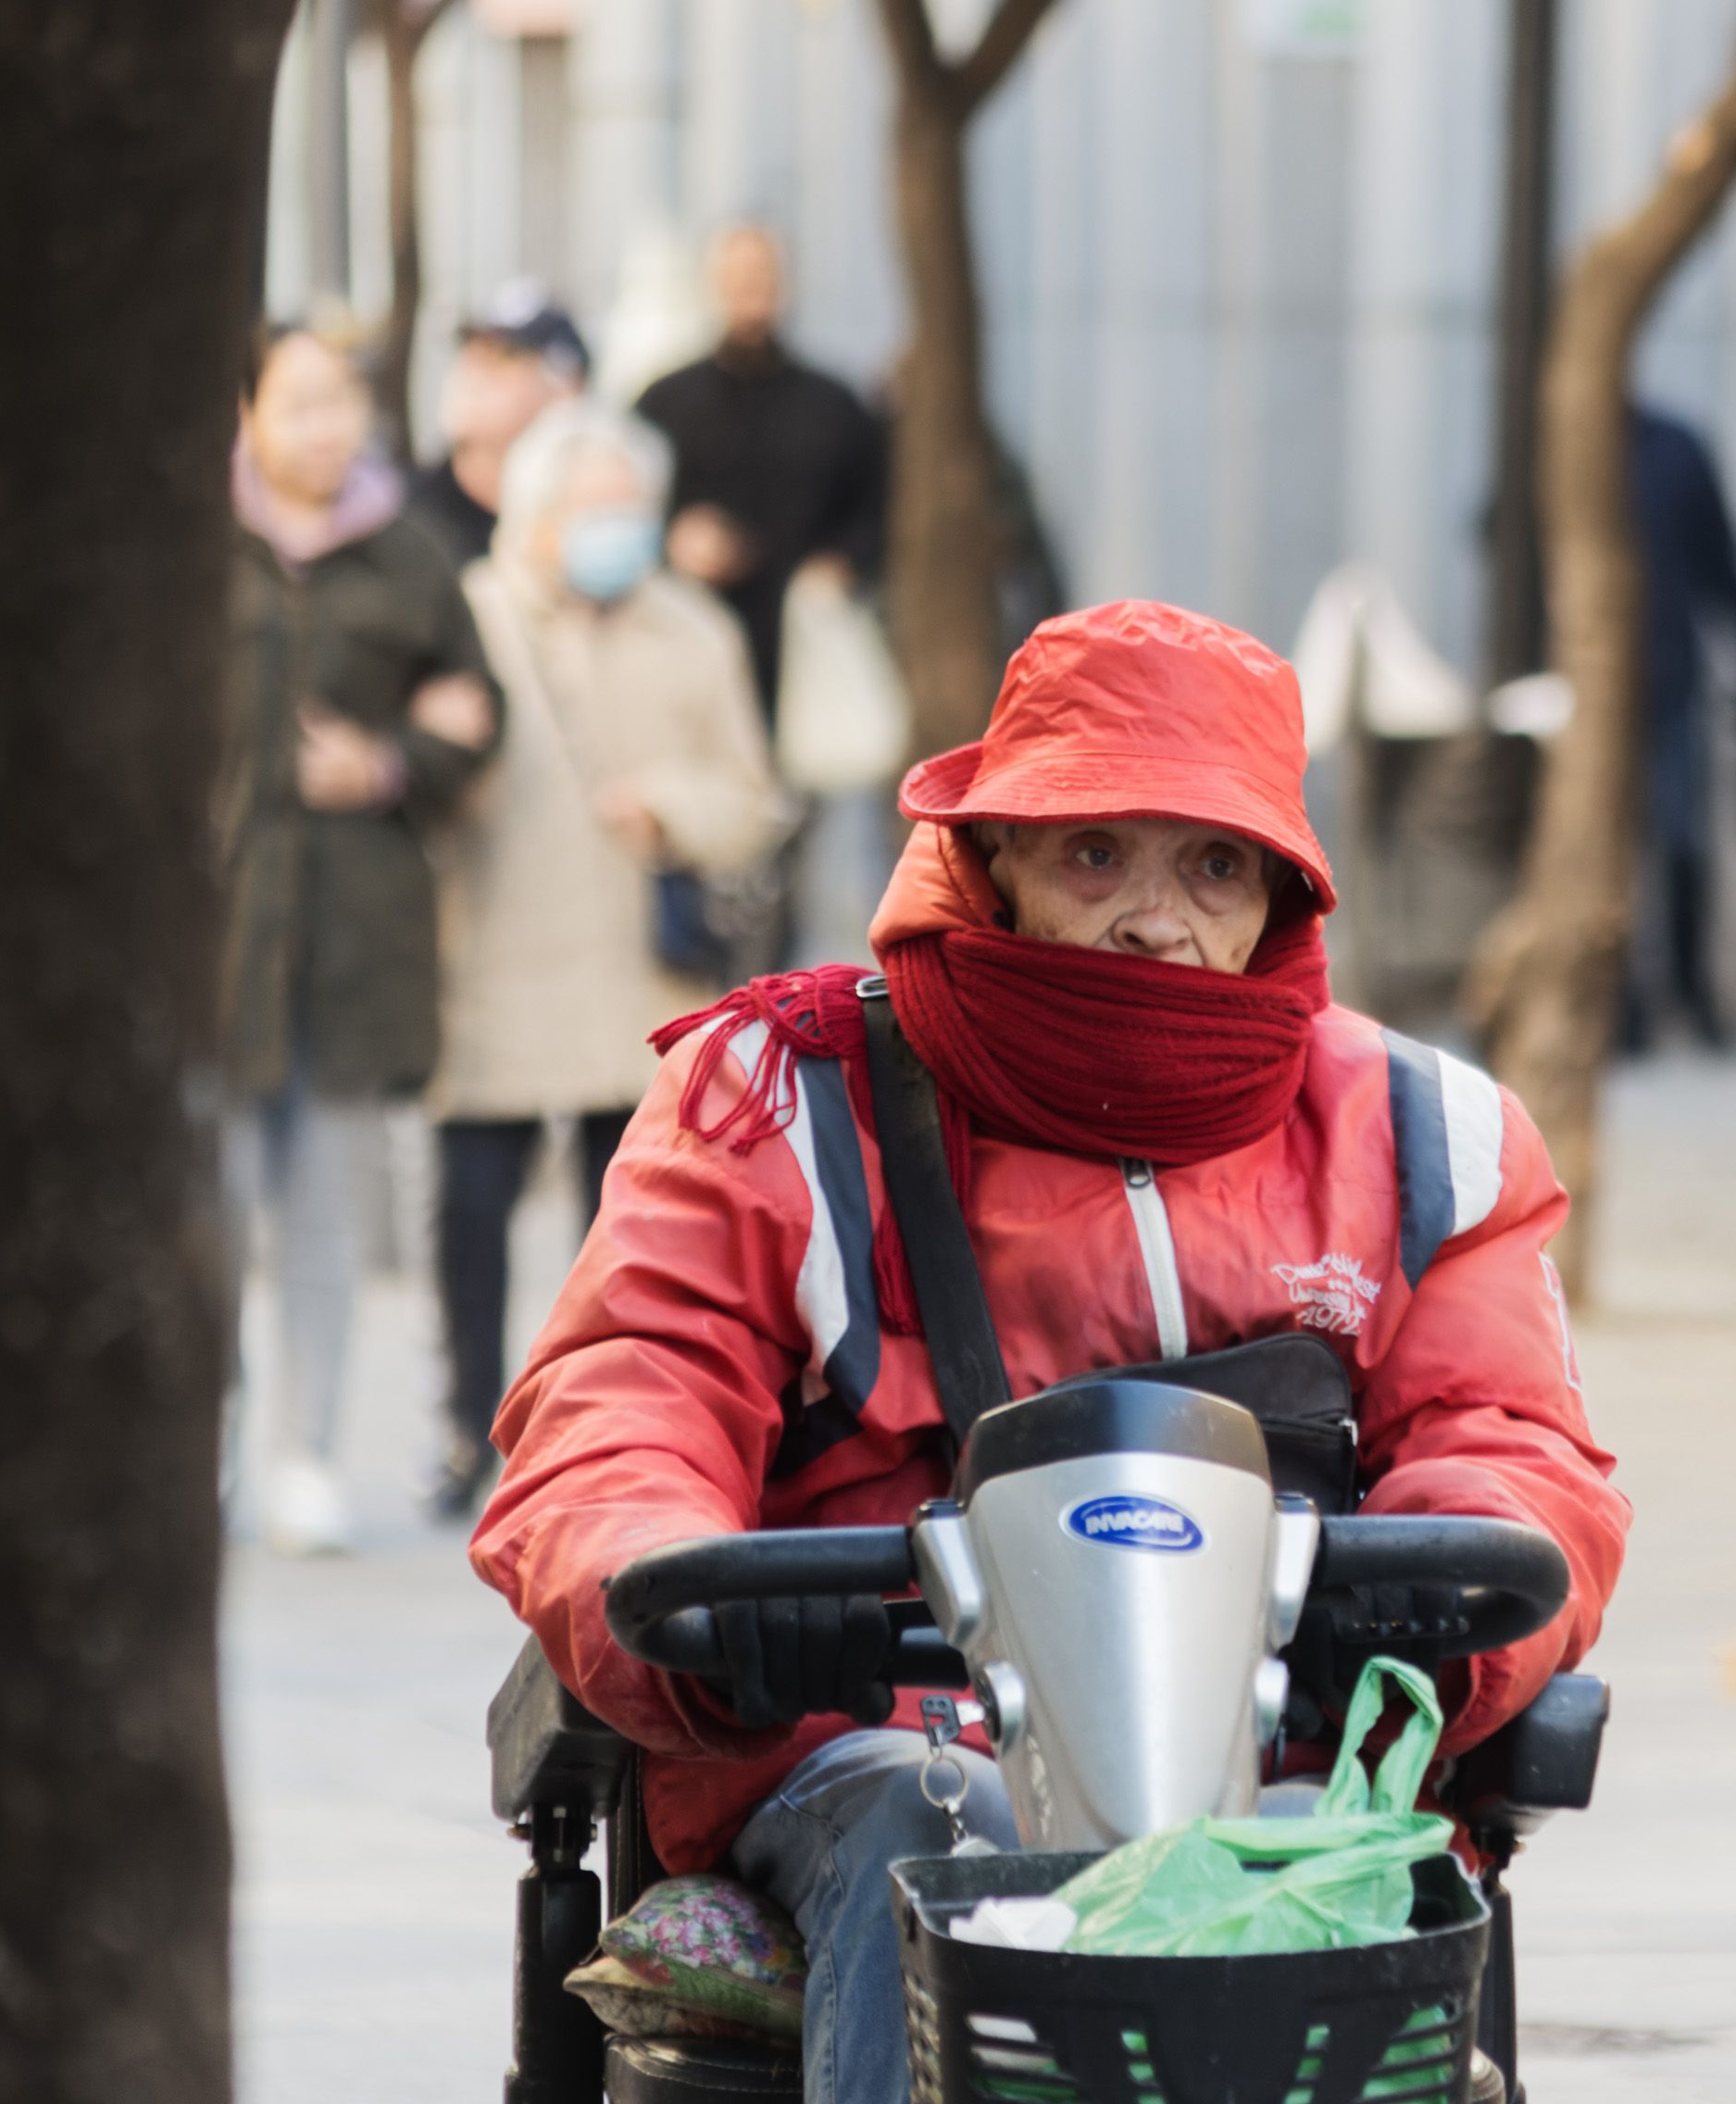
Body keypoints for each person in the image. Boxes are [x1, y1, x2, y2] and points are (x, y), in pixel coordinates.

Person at [470, 601, 1626, 2104]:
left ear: (1282, 889)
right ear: (992, 860)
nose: (1156, 916)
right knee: (935, 1835)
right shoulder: (775, 1097)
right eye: (1096, 854)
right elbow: (621, 1405)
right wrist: (686, 1592)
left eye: (1212, 863)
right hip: (879, 1732)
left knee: (1306, 1874)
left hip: (1281, 1738)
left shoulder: (1420, 1137)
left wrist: (1444, 1589)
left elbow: (1514, 1442)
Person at [426, 402, 792, 1520]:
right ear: (534, 517)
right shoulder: (467, 616)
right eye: (594, 512)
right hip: (489, 950)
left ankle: (610, 1425)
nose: (617, 533)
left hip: (644, 980)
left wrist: (674, 808)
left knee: (632, 1216)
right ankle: (463, 1424)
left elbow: (755, 797)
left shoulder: (693, 630)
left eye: (633, 511)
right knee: (472, 1201)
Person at [226, 321, 497, 1555]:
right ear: (248, 417)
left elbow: (473, 710)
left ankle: (307, 1453)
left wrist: (390, 761)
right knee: (208, 1211)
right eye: (300, 403)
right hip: (216, 928)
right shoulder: (200, 545)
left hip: (351, 931)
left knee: (327, 1214)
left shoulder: (408, 556)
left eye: (342, 403)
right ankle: (207, 1444)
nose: (326, 428)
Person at [631, 225, 886, 716]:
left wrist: (842, 564)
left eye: (763, 274)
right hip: (689, 640)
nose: (752, 288)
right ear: (712, 285)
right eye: (737, 276)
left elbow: (875, 510)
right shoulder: (664, 402)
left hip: (802, 652)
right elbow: (626, 504)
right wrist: (673, 542)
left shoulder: (834, 404)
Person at [1626, 404, 1736, 1051]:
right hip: (1577, 695)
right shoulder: (1553, 443)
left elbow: (1722, 568)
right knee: (1603, 853)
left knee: (1680, 841)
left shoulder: (1675, 449)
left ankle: (1691, 992)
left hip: (1669, 683)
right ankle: (1622, 1007)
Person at [407, 280, 589, 565]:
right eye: (471, 350)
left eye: (504, 358)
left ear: (565, 388)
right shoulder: (404, 513)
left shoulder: (592, 520)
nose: (474, 370)